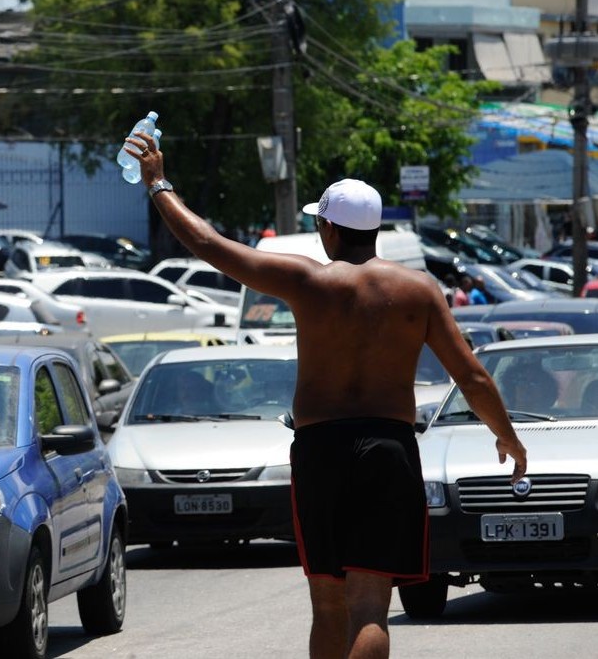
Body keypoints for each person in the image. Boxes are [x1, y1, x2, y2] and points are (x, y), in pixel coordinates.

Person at [124, 130, 527, 659]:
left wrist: (158, 184)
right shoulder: (419, 290)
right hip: (388, 449)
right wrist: (509, 437)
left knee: (329, 607)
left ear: (329, 229)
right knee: (371, 609)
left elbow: (208, 245)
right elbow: (473, 377)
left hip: (322, 452)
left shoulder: (307, 281)